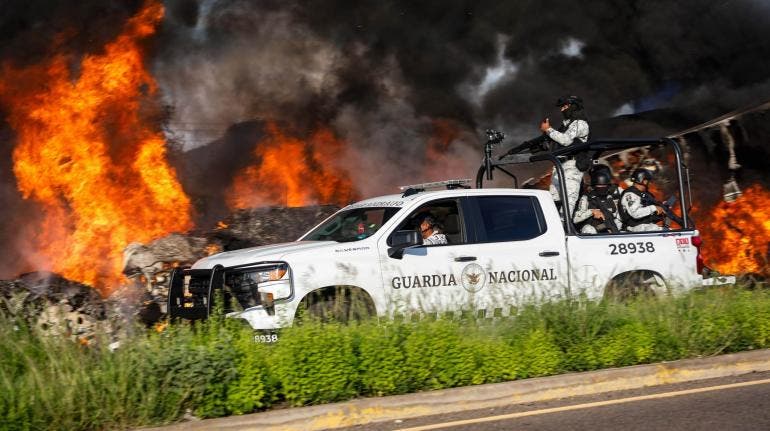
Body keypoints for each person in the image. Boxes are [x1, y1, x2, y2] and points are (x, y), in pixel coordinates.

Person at [541, 96, 590, 218]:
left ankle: (566, 231)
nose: (562, 109)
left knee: (567, 208)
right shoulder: (565, 126)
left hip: (572, 167)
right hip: (559, 167)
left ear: (574, 107)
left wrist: (548, 130)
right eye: (562, 107)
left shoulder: (580, 123)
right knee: (553, 203)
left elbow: (566, 140)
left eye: (565, 106)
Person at [573, 165, 621, 234]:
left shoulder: (610, 198)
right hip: (591, 230)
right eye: (599, 186)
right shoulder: (586, 198)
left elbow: (617, 215)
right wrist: (592, 212)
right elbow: (576, 219)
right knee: (589, 229)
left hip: (607, 228)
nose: (602, 188)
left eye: (604, 186)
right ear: (594, 185)